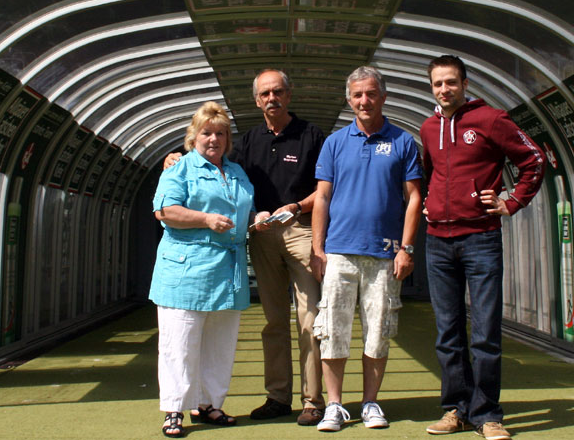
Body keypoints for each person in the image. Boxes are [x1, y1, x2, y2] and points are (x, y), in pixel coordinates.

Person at [163, 69, 326, 426]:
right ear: (256, 100)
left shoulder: (312, 135)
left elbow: (326, 190)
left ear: (289, 94)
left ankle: (313, 400)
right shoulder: (248, 142)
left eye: (278, 91)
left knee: (310, 319)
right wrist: (174, 157)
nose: (272, 98)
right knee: (273, 321)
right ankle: (278, 397)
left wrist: (301, 213)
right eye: (265, 93)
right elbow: (213, 165)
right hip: (261, 235)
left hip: (300, 231)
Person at [420, 56, 545, 440]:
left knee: (485, 332)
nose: (445, 90)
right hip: (438, 241)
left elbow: (534, 159)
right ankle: (456, 409)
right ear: (432, 88)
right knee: (448, 332)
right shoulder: (428, 127)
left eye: (452, 82)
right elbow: (431, 174)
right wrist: (431, 201)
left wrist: (511, 201)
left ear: (465, 83)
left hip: (481, 238)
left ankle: (488, 415)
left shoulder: (490, 120)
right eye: (439, 83)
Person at [310, 66, 423, 432]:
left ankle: (371, 402)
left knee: (378, 330)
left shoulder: (404, 142)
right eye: (357, 95)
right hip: (340, 250)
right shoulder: (335, 143)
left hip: (384, 254)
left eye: (371, 93)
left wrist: (406, 248)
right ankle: (335, 405)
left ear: (383, 96)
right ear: (349, 99)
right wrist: (317, 247)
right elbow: (322, 197)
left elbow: (414, 198)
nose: (364, 101)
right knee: (333, 330)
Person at [151, 101, 270, 438]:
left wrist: (256, 220)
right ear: (194, 136)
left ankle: (208, 404)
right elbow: (165, 211)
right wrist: (205, 219)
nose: (213, 139)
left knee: (220, 343)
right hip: (185, 272)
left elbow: (243, 211)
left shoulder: (236, 172)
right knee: (180, 344)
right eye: (207, 133)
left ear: (227, 140)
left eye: (220, 133)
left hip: (227, 272)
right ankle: (174, 409)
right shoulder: (179, 169)